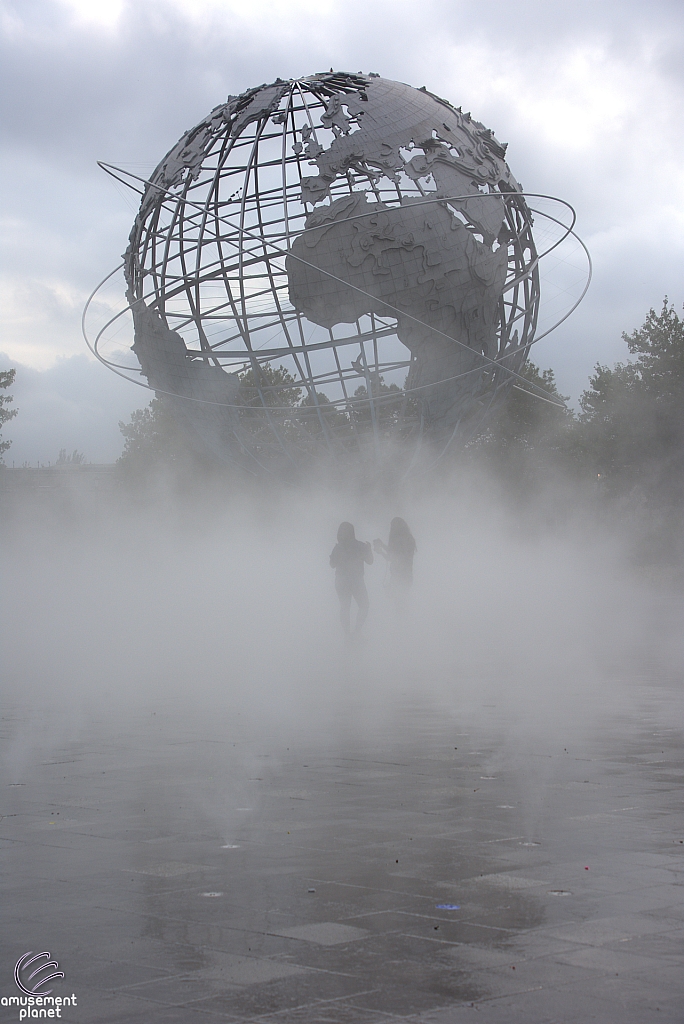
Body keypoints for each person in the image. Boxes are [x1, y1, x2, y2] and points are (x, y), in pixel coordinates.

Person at [329, 522, 373, 637]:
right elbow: (370, 561)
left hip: (342, 581)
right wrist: (369, 550)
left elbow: (332, 564)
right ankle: (357, 631)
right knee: (364, 605)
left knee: (345, 607)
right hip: (356, 580)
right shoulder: (360, 546)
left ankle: (348, 634)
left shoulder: (338, 547)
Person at [373, 518, 416, 606]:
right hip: (404, 574)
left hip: (400, 575)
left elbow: (394, 557)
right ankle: (404, 618)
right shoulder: (408, 538)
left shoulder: (402, 539)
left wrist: (381, 550)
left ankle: (402, 618)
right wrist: (382, 548)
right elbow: (394, 555)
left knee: (400, 601)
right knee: (401, 601)